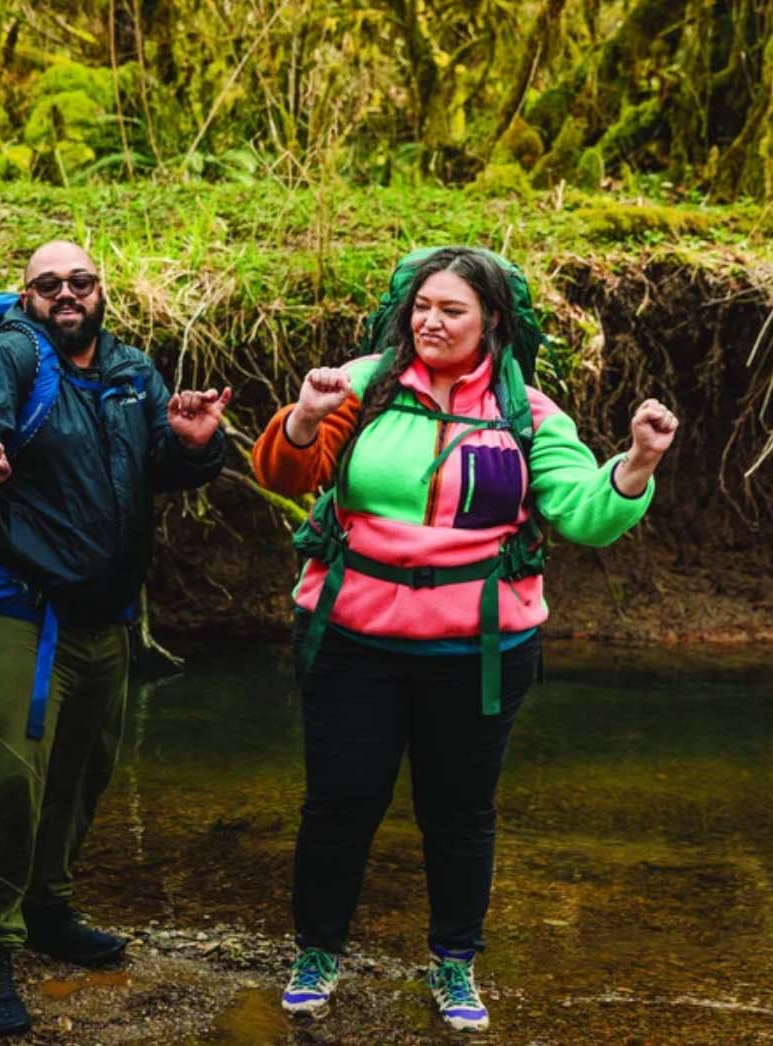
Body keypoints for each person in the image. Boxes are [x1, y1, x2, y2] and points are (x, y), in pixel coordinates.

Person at [250, 247, 677, 1033]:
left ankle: (453, 963)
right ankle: (318, 952)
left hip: (480, 652)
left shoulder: (527, 413)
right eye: (422, 307)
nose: (430, 322)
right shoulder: (367, 384)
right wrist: (306, 414)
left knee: (459, 811)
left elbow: (583, 510)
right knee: (341, 803)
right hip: (351, 638)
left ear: (490, 324)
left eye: (452, 310)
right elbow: (285, 470)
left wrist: (636, 465)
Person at [0, 241, 231, 1034]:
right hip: (6, 598)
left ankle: (48, 912)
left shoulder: (133, 371)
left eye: (82, 282)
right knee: (11, 774)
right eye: (49, 284)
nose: (68, 294)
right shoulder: (7, 358)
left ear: (103, 292)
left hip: (101, 609)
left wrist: (193, 442)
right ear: (26, 296)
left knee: (83, 770)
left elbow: (154, 467)